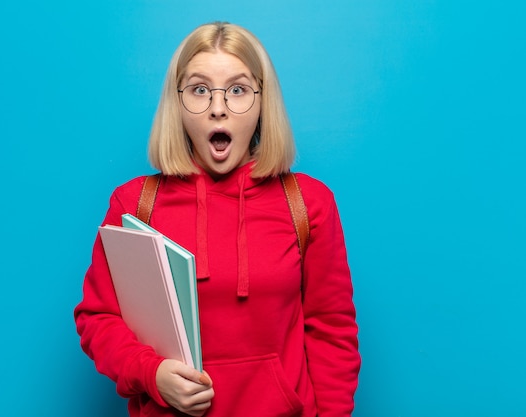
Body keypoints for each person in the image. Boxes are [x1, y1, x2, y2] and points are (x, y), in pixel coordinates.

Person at [74, 22, 360, 417]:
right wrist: (152, 374)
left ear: (263, 102)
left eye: (238, 90)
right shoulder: (135, 204)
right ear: (178, 103)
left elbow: (332, 332)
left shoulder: (308, 204)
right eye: (199, 90)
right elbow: (98, 318)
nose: (218, 107)